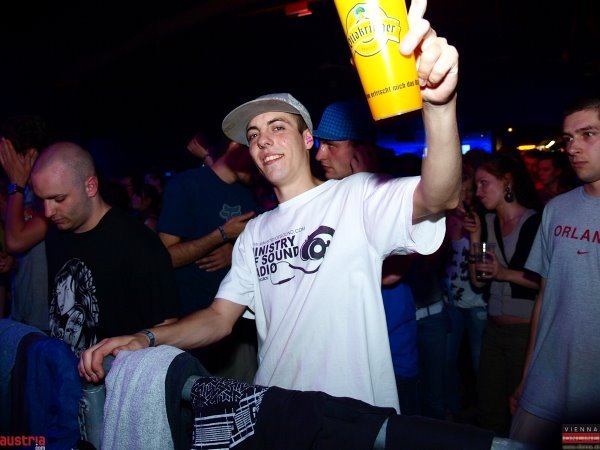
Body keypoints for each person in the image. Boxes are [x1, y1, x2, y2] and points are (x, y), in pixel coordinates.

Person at [80, 0, 460, 414]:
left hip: (351, 421)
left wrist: (439, 106)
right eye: (254, 135)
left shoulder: (356, 197)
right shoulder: (254, 233)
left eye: (277, 127)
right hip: (274, 418)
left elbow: (439, 195)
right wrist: (147, 338)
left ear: (308, 139)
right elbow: (218, 318)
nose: (262, 140)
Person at [509, 97, 600, 449]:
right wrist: (526, 375)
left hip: (589, 400)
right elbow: (544, 296)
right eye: (568, 138)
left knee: (579, 445)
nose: (573, 147)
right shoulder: (557, 209)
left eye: (587, 134)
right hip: (543, 385)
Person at [30, 142, 179, 355]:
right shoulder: (55, 233)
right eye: (41, 200)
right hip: (65, 370)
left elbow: (167, 329)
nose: (48, 212)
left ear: (90, 186)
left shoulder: (138, 242)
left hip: (118, 372)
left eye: (58, 199)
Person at [156, 138, 261, 381]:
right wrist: (220, 235)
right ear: (235, 146)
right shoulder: (186, 185)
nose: (259, 160)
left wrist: (234, 251)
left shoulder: (250, 191)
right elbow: (165, 258)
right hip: (192, 322)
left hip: (239, 326)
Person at [463, 153, 542, 436]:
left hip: (525, 333)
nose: (478, 192)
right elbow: (478, 281)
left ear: (506, 182)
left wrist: (504, 273)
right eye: (476, 185)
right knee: (489, 408)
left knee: (521, 410)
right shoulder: (486, 222)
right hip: (493, 330)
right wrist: (475, 237)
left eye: (484, 183)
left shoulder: (535, 222)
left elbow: (545, 282)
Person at [0, 115, 51, 331]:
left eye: (9, 154)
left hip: (45, 323)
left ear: (29, 154)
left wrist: (16, 185)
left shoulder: (50, 193)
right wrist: (13, 262)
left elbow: (16, 241)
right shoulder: (26, 193)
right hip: (22, 312)